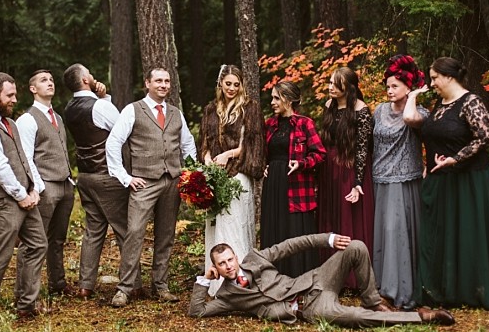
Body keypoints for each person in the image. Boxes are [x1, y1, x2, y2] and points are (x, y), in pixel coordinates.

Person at [406, 57, 489, 310]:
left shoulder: (471, 102)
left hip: (468, 180)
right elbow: (423, 130)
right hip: (441, 180)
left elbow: (485, 137)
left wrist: (455, 158)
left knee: (466, 233)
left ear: (449, 77)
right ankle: (441, 290)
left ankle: (472, 289)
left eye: (435, 78)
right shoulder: (439, 104)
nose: (432, 83)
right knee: (440, 235)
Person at [188, 233, 455, 328]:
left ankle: (374, 301)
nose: (228, 266)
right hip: (309, 307)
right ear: (217, 269)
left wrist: (326, 239)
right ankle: (421, 318)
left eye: (230, 260)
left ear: (236, 256)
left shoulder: (255, 258)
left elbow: (291, 245)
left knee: (356, 247)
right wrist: (203, 279)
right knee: (353, 318)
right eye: (221, 264)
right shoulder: (226, 296)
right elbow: (197, 311)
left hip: (314, 280)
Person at [106, 67, 197, 307]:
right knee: (135, 232)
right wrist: (125, 177)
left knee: (166, 235)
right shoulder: (133, 110)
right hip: (144, 182)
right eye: (158, 80)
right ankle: (125, 288)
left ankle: (161, 286)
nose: (163, 85)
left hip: (172, 181)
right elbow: (114, 143)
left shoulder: (176, 113)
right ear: (147, 83)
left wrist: (190, 173)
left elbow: (187, 144)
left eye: (167, 81)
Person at [0, 72, 47, 321]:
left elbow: (24, 160)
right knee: (3, 253)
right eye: (9, 95)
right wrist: (20, 195)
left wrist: (35, 188)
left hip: (26, 197)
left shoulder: (10, 123)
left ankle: (26, 304)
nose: (14, 99)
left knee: (38, 245)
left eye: (15, 94)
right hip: (5, 202)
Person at [61, 63, 143, 299]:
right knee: (125, 230)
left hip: (85, 175)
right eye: (90, 72)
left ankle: (86, 285)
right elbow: (121, 130)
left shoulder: (69, 108)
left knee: (93, 231)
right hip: (107, 176)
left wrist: (103, 96)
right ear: (85, 79)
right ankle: (133, 284)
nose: (93, 74)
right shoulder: (98, 106)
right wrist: (104, 97)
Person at [198, 65, 266, 295]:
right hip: (216, 177)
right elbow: (205, 142)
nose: (232, 88)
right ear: (221, 84)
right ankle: (215, 284)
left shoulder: (250, 108)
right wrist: (207, 163)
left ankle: (240, 283)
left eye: (236, 84)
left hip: (237, 174)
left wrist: (228, 155)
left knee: (234, 225)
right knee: (215, 228)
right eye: (228, 84)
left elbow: (251, 144)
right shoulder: (210, 109)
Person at [371, 55, 428, 309]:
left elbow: (411, 120)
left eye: (395, 86)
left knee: (399, 234)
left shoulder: (419, 112)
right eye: (388, 86)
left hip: (404, 181)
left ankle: (401, 291)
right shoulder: (379, 110)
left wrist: (413, 97)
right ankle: (383, 288)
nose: (389, 90)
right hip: (380, 180)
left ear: (408, 86)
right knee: (384, 234)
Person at [16, 70, 76, 298]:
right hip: (45, 188)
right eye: (43, 80)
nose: (50, 83)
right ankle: (25, 293)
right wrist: (38, 187)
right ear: (33, 89)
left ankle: (57, 284)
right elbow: (26, 158)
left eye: (51, 80)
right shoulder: (28, 119)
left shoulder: (57, 117)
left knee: (57, 238)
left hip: (65, 184)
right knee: (33, 241)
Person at [316, 67, 375, 289]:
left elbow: (362, 150)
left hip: (350, 168)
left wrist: (358, 182)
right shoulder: (329, 106)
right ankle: (331, 272)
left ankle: (352, 276)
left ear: (348, 88)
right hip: (328, 169)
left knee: (349, 218)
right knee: (330, 216)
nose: (330, 87)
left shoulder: (361, 110)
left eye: (335, 84)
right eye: (329, 82)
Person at [261, 80, 325, 277]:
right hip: (273, 184)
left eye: (276, 98)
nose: (272, 102)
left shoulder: (305, 123)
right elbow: (265, 153)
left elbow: (320, 154)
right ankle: (274, 277)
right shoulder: (270, 124)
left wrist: (302, 164)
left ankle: (301, 278)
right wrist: (264, 165)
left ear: (288, 100)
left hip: (296, 185)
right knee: (274, 228)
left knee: (296, 229)